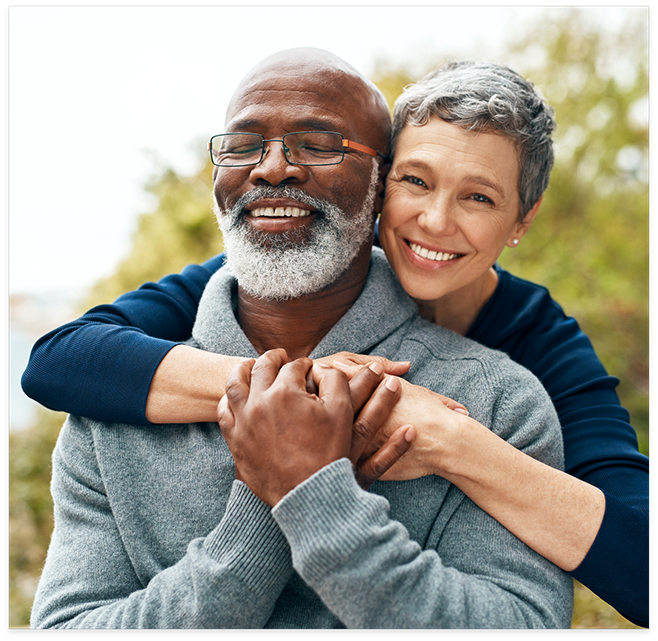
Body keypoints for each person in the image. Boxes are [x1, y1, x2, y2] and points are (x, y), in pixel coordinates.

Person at [23, 58, 648, 627]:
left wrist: (451, 446)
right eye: (418, 182)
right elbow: (60, 357)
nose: (433, 221)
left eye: (479, 197)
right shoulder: (122, 395)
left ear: (522, 220)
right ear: (387, 190)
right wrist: (289, 400)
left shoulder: (517, 383)